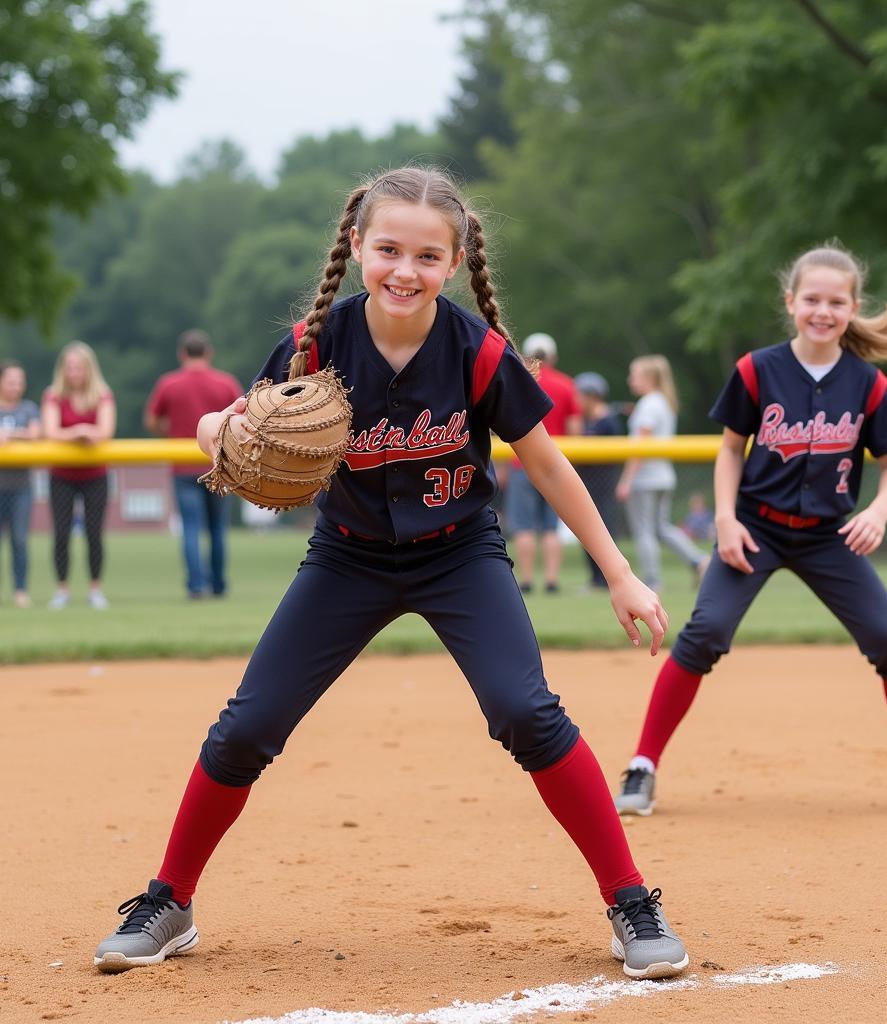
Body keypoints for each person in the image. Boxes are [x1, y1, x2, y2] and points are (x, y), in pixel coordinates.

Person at [93, 167, 688, 981]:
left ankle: (630, 903)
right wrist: (210, 428)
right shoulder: (315, 343)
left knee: (526, 709)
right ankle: (170, 900)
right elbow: (228, 427)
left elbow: (548, 468)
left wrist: (619, 573)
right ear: (357, 248)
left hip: (459, 554)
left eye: (426, 255)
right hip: (347, 558)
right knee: (247, 726)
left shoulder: (478, 352)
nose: (404, 270)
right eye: (388, 250)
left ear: (453, 262)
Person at [614, 243, 887, 818]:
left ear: (853, 308)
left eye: (836, 301)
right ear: (790, 302)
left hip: (829, 534)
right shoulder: (758, 370)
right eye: (811, 299)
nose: (822, 311)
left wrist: (876, 512)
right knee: (704, 634)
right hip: (755, 528)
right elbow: (731, 451)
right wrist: (726, 519)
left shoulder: (868, 383)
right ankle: (642, 768)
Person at [146, 330, 243, 599]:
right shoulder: (225, 383)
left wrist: (171, 428)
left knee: (190, 527)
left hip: (183, 466)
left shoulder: (168, 384)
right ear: (209, 353)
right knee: (217, 529)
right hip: (219, 464)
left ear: (182, 354)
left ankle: (196, 586)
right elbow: (242, 416)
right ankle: (219, 585)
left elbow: (152, 420)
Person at [616, 356, 709, 592]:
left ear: (649, 378)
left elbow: (641, 446)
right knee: (660, 527)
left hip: (645, 478)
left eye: (634, 375)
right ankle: (699, 560)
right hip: (664, 476)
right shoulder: (662, 402)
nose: (630, 380)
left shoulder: (649, 404)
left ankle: (652, 580)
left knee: (644, 530)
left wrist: (626, 480)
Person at [503, 332, 581, 594]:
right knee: (550, 527)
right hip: (554, 465)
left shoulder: (519, 380)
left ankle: (525, 580)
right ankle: (551, 580)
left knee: (523, 526)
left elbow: (503, 426)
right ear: (553, 356)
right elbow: (575, 431)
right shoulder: (567, 385)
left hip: (519, 464)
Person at [41, 342, 116, 610]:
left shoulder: (102, 394)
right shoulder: (53, 395)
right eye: (69, 368)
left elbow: (105, 431)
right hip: (61, 474)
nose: (74, 373)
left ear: (89, 369)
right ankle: (62, 589)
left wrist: (86, 433)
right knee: (61, 533)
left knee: (94, 533)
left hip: (95, 474)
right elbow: (50, 431)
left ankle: (95, 588)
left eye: (79, 368)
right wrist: (79, 432)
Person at [575, 371, 625, 589]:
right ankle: (595, 579)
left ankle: (606, 577)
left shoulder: (608, 422)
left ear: (593, 396)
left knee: (604, 528)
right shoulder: (586, 422)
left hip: (603, 483)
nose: (578, 400)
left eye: (581, 395)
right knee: (585, 528)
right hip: (586, 482)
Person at [0, 361, 41, 608]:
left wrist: (10, 436)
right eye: (11, 382)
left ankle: (20, 589)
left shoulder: (28, 408)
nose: (16, 387)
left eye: (20, 382)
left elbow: (36, 434)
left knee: (19, 539)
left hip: (20, 486)